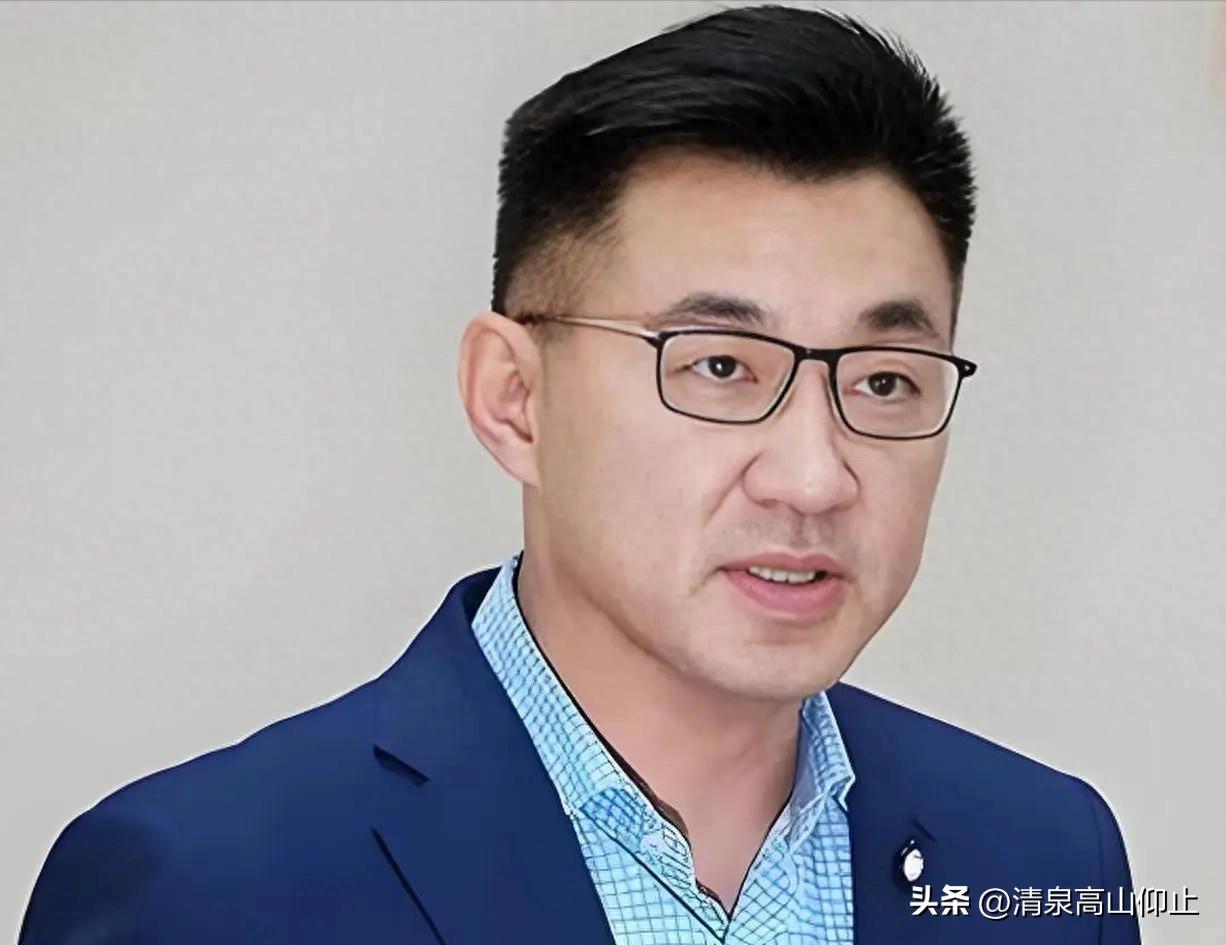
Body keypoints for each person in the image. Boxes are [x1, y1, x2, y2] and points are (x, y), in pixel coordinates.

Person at [19, 5, 1141, 943]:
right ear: (514, 397)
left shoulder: (1044, 859)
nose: (813, 478)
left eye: (885, 380)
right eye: (717, 365)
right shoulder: (204, 891)